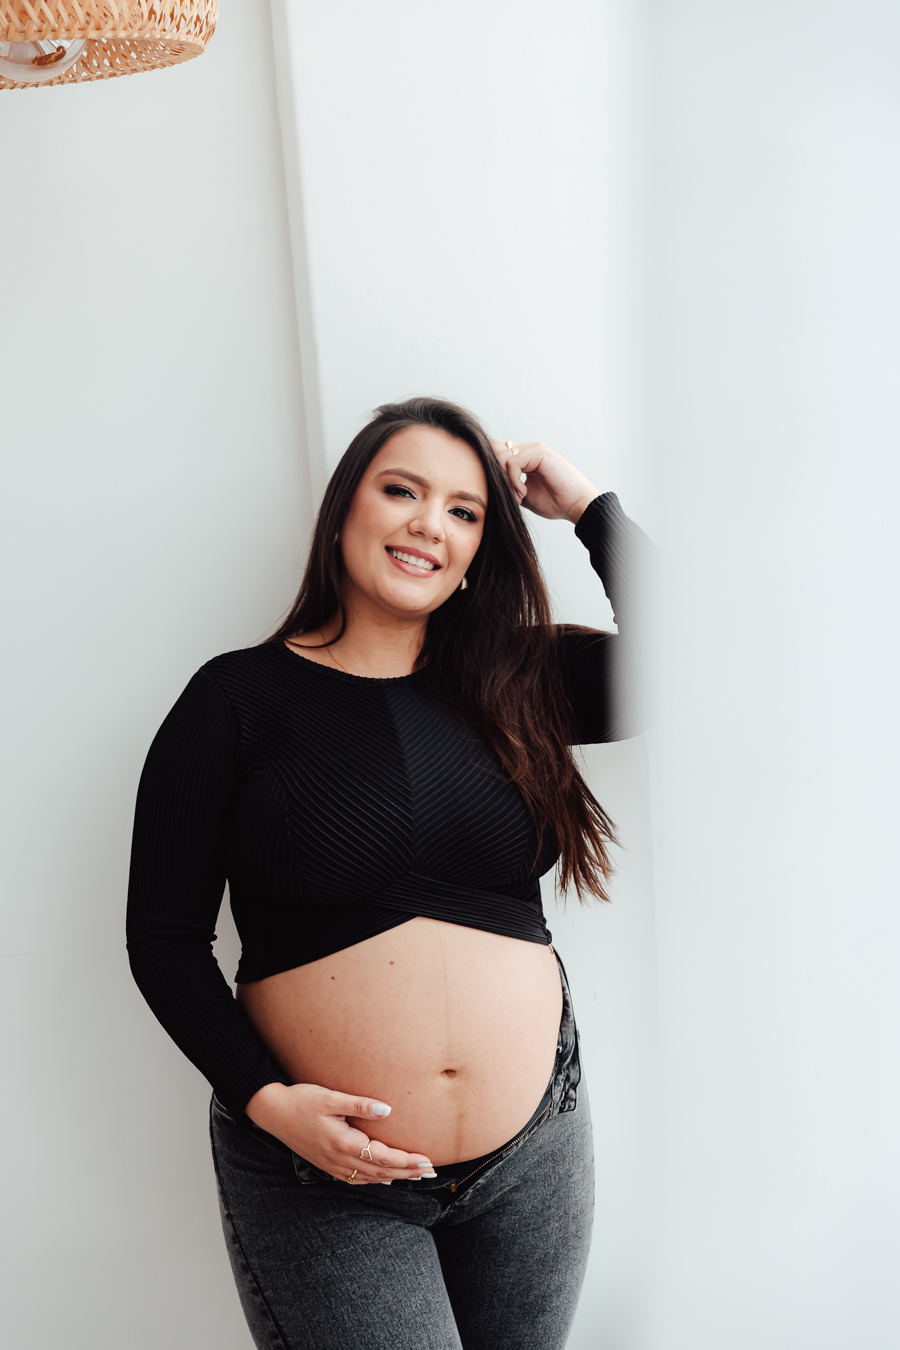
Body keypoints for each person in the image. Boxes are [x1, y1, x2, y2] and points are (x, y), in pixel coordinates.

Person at [126, 396, 649, 1350]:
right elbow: (163, 939)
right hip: (320, 1173)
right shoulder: (234, 700)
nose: (428, 525)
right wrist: (267, 1102)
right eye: (401, 491)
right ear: (344, 511)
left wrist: (585, 507)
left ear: (480, 548)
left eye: (463, 510)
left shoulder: (517, 680)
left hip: (534, 1153)